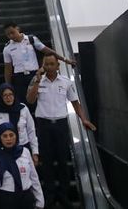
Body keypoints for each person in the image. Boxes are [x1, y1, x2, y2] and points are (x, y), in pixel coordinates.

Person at [27, 54, 96, 207]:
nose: (49, 67)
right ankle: (50, 194)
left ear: (58, 66)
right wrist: (38, 80)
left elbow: (75, 103)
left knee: (63, 160)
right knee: (47, 161)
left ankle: (63, 194)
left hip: (61, 125)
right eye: (46, 64)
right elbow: (30, 100)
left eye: (52, 64)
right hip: (43, 125)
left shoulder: (66, 82)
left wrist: (83, 119)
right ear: (42, 65)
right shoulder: (37, 80)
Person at [2, 22, 76, 110]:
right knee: (22, 105)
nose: (11, 36)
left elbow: (48, 51)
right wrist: (8, 85)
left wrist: (65, 59)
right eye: (8, 34)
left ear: (17, 29)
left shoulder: (31, 39)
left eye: (12, 32)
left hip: (34, 76)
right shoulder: (7, 48)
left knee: (39, 102)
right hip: (19, 79)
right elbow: (8, 68)